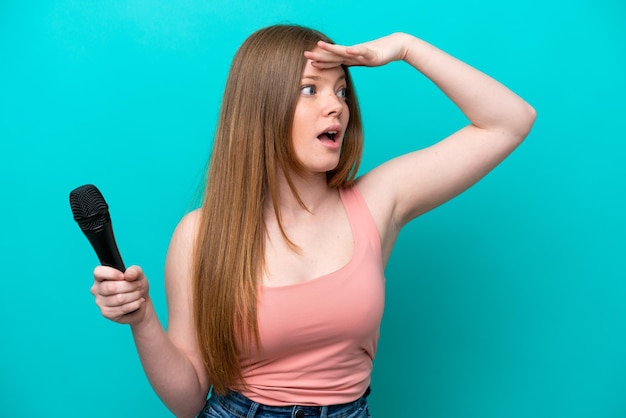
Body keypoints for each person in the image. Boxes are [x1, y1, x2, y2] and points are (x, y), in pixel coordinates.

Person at [90, 24, 535, 418]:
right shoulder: (201, 235)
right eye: (311, 89)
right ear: (261, 106)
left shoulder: (378, 202)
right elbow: (188, 402)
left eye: (341, 90)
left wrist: (405, 47)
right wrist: (143, 319)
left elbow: (509, 122)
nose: (337, 106)